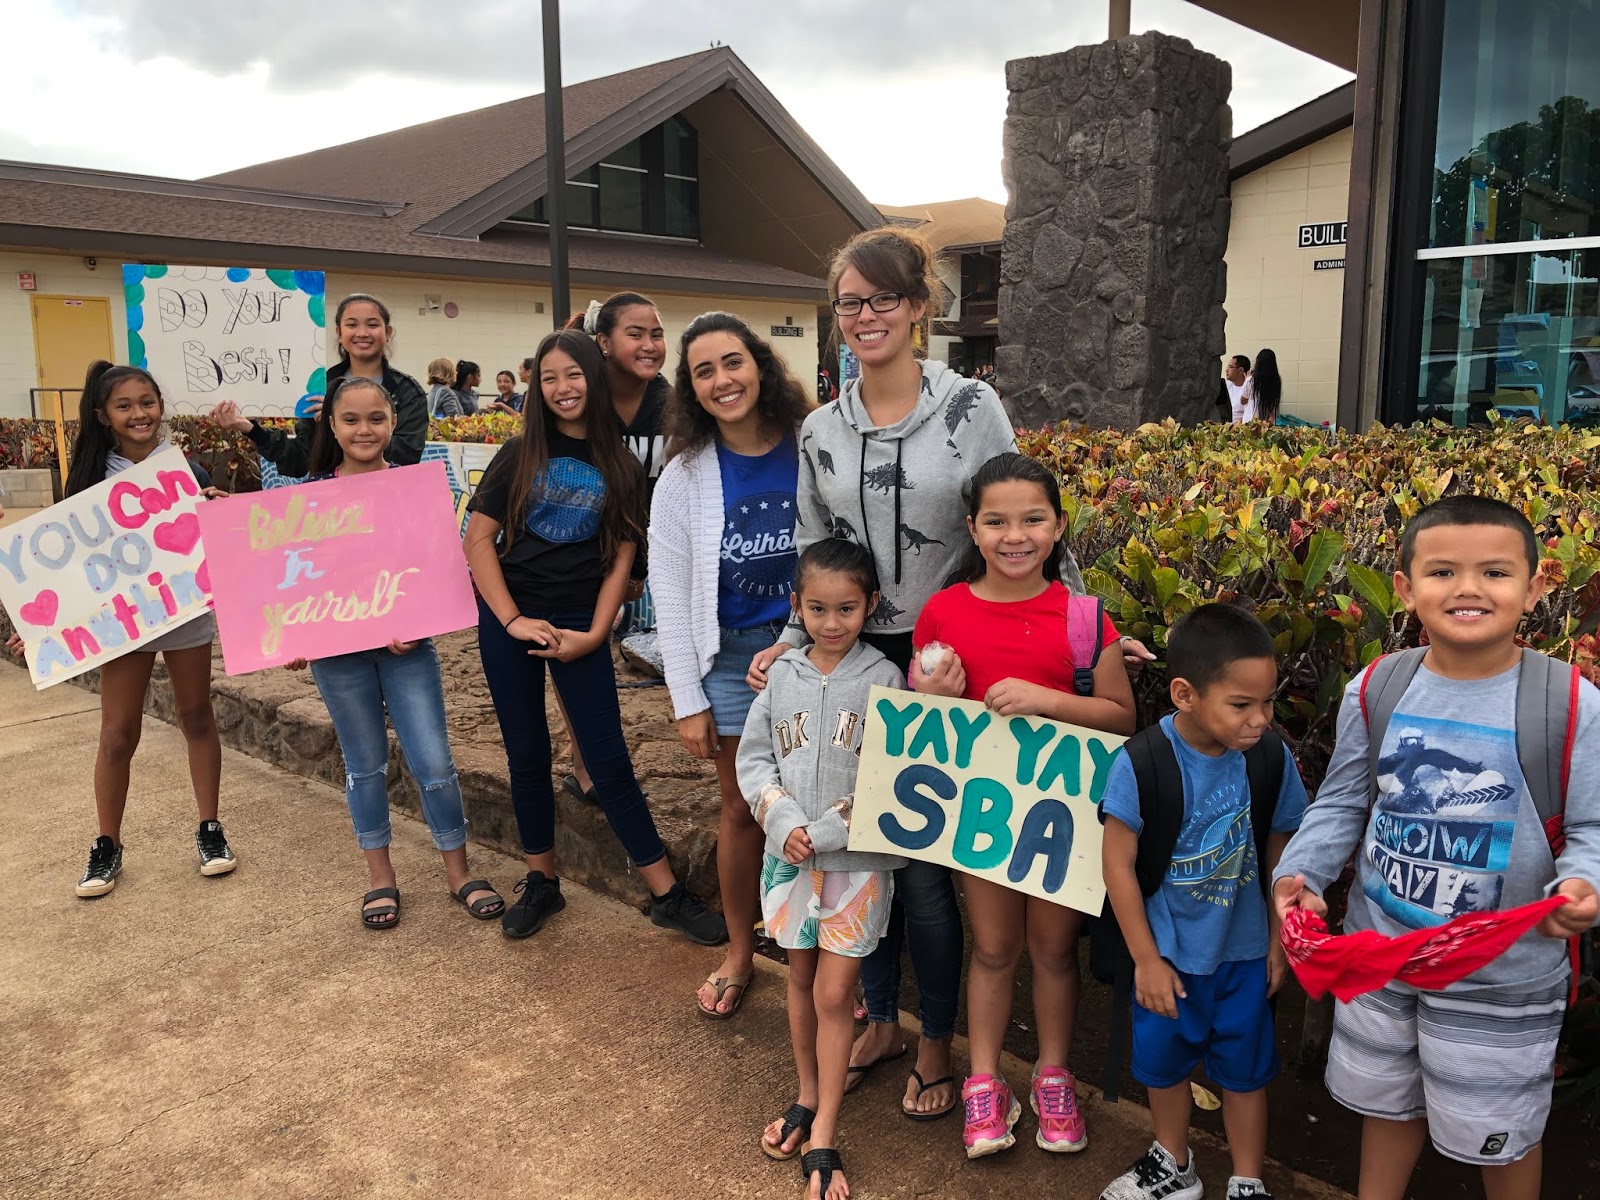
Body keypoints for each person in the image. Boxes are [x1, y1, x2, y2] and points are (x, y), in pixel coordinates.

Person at [747, 225, 1151, 1119]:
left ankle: (936, 1043)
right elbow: (816, 552)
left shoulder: (970, 405)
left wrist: (1082, 634)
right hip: (854, 657)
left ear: (920, 307)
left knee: (929, 873)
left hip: (952, 663)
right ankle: (878, 1020)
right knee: (860, 850)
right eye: (849, 303)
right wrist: (793, 638)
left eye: (883, 299)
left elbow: (1017, 511)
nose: (866, 317)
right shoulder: (819, 428)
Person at [1274, 496, 1600, 1200]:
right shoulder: (1378, 688)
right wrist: (1301, 871)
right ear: (1404, 588)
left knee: (1502, 1137)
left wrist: (1582, 883)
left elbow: (1592, 828)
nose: (1468, 589)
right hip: (1383, 958)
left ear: (1536, 588)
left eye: (1495, 572)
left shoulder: (1569, 702)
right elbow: (1343, 802)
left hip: (1501, 981)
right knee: (1388, 1110)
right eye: (1443, 571)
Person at [464, 328, 726, 945]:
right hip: (510, 620)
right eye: (548, 378)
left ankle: (665, 893)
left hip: (580, 621)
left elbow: (622, 559)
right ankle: (542, 881)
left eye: (574, 374)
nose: (562, 388)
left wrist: (595, 633)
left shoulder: (623, 465)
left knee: (607, 759)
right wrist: (512, 620)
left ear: (595, 379)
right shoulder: (518, 454)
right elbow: (477, 541)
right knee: (527, 754)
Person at [913, 452, 1136, 1158]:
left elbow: (1121, 716)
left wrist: (1047, 701)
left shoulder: (1084, 619)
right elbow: (922, 716)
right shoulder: (944, 611)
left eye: (1033, 519)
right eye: (997, 522)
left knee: (1052, 950)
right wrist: (932, 696)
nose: (1015, 536)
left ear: (1059, 525)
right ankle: (984, 1081)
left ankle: (1053, 1075)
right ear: (972, 529)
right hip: (982, 817)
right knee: (993, 948)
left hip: (1059, 821)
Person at [1098, 603, 1307, 1200]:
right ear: (1185, 695)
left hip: (1243, 956)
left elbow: (1282, 851)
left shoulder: (1268, 758)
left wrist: (1278, 942)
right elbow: (1117, 866)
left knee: (1245, 1072)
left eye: (1267, 702)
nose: (1260, 719)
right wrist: (1145, 959)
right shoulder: (1143, 763)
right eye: (1241, 705)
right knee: (1164, 1066)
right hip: (1168, 954)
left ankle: (1248, 1180)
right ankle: (1174, 1163)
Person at [7, 361, 234, 897]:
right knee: (117, 733)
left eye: (147, 402)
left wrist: (221, 513)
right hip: (120, 625)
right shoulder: (89, 480)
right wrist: (42, 629)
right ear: (104, 416)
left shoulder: (187, 470)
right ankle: (106, 843)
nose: (139, 414)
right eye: (124, 406)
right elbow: (65, 566)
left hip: (182, 613)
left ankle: (210, 828)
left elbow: (213, 546)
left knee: (197, 715)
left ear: (161, 407)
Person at [289, 376, 503, 930]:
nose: (364, 430)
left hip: (408, 652)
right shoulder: (308, 500)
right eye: (351, 419)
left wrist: (419, 621)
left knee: (434, 762)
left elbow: (438, 569)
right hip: (339, 658)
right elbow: (298, 579)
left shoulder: (415, 491)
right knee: (364, 766)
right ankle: (380, 878)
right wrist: (293, 635)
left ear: (394, 423)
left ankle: (458, 872)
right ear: (332, 425)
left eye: (376, 418)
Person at [651, 311, 815, 1018]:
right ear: (690, 389)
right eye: (703, 371)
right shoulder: (684, 475)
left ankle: (826, 958)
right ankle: (741, 952)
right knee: (743, 807)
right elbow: (668, 589)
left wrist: (802, 637)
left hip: (814, 647)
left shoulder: (811, 442)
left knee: (823, 800)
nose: (722, 380)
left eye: (733, 362)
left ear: (760, 365)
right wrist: (687, 698)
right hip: (727, 656)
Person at [742, 539, 907, 1200]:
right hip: (788, 863)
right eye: (817, 608)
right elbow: (754, 759)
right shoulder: (781, 675)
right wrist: (782, 822)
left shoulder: (886, 679)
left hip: (857, 865)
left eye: (847, 608)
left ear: (871, 605)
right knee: (800, 977)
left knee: (836, 994)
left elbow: (891, 776)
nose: (832, 622)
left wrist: (828, 830)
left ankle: (825, 1132)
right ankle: (808, 1092)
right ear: (796, 605)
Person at [557, 293, 670, 806]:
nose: (649, 345)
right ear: (603, 342)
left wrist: (640, 567)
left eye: (656, 334)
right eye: (635, 334)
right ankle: (585, 764)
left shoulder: (671, 404)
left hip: (647, 547)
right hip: (580, 548)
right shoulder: (584, 397)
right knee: (579, 652)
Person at [209, 293, 427, 474]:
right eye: (352, 324)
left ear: (387, 333)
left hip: (388, 496)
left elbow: (407, 458)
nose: (362, 333)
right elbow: (300, 459)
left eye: (372, 324)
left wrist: (345, 425)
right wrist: (251, 430)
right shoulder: (319, 387)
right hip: (333, 502)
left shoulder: (407, 392)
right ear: (339, 333)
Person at [1245, 350, 1282, 424]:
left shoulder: (1251, 380)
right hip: (1268, 420)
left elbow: (1243, 400)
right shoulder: (1276, 380)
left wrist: (1246, 381)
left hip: (1251, 420)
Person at [1223, 354, 1252, 423]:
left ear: (1240, 370)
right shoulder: (1226, 385)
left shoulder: (1250, 388)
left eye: (1230, 367)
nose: (1226, 370)